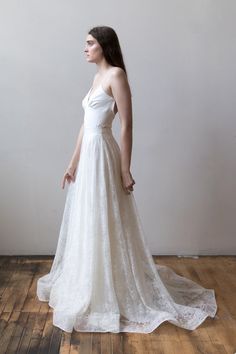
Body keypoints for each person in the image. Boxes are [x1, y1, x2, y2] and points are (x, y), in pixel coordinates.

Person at [37, 25, 217, 334]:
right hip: (89, 155)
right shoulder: (96, 78)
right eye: (86, 43)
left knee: (106, 216)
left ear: (104, 46)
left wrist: (125, 168)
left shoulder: (116, 75)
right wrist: (72, 164)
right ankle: (92, 280)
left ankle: (112, 287)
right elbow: (85, 125)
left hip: (104, 155)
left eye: (90, 43)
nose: (85, 48)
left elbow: (127, 125)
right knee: (89, 218)